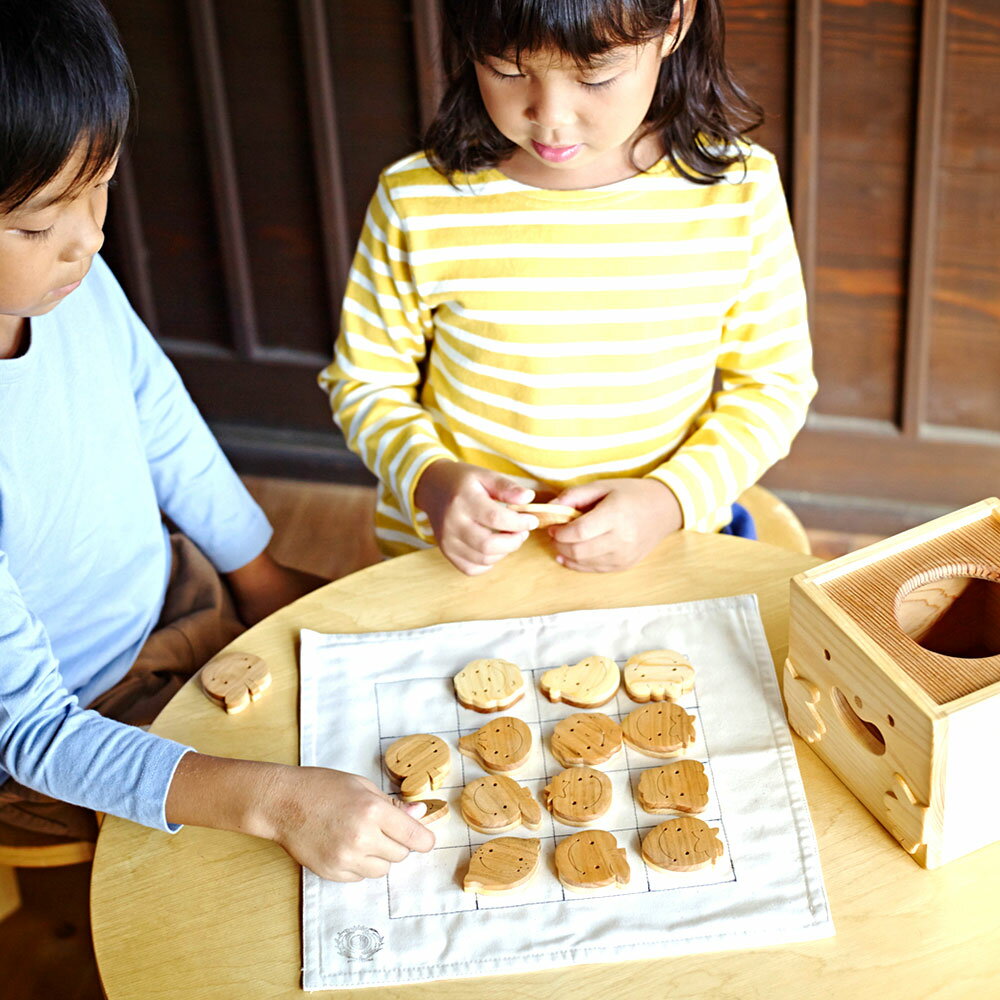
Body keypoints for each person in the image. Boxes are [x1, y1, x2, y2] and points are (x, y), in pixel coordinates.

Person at [0, 0, 433, 882]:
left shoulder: (66, 285)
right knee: (266, 885)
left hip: (177, 599)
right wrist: (273, 801)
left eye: (101, 184)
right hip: (71, 732)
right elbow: (31, 732)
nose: (90, 239)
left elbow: (158, 417)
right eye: (40, 223)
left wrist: (259, 578)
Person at [320, 0, 817, 576]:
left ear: (675, 23)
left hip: (657, 552)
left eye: (595, 77)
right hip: (455, 564)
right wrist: (432, 482)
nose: (550, 117)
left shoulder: (739, 191)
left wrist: (668, 500)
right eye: (507, 70)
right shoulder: (416, 200)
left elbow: (773, 386)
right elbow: (363, 383)